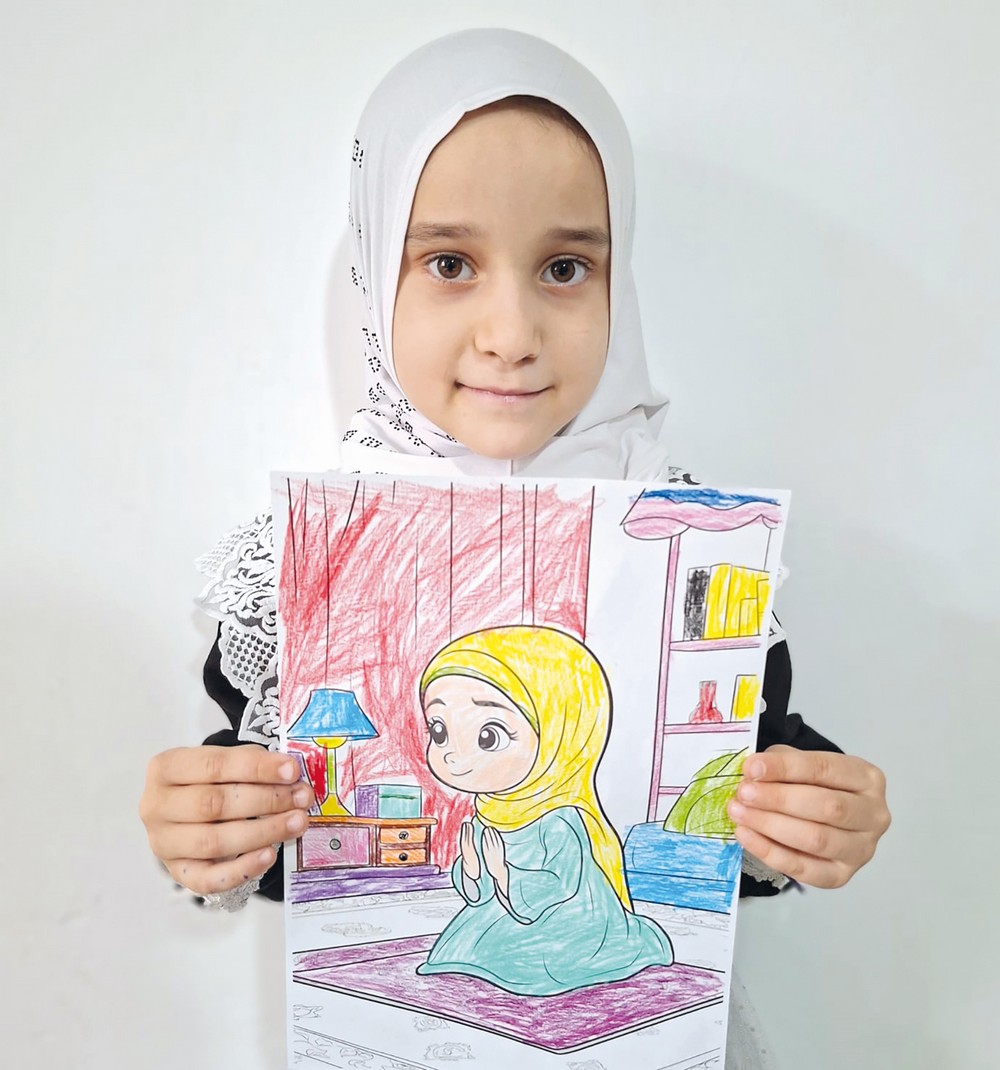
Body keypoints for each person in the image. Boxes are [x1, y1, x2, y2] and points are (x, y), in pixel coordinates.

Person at [138, 25, 891, 1064]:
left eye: (565, 267)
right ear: (375, 276)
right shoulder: (298, 562)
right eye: (449, 262)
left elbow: (742, 789)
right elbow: (288, 837)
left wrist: (806, 813)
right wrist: (214, 824)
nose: (512, 331)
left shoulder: (691, 545)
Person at [415, 625, 674, 995]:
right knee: (467, 946)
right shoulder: (489, 811)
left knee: (535, 960)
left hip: (570, 920)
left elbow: (561, 885)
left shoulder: (560, 820)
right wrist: (473, 870)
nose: (454, 756)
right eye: (439, 731)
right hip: (509, 911)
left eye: (488, 736)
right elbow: (480, 895)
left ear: (559, 733)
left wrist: (506, 875)